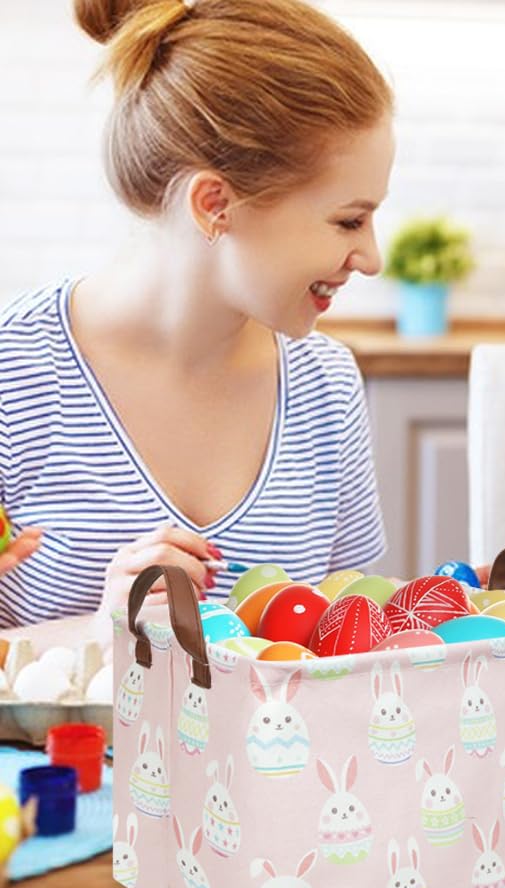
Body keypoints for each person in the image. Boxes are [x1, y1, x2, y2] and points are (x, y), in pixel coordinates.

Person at [0, 0, 394, 630]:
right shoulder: (13, 373)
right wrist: (97, 640)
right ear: (215, 203)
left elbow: (346, 645)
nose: (370, 258)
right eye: (349, 219)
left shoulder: (327, 386)